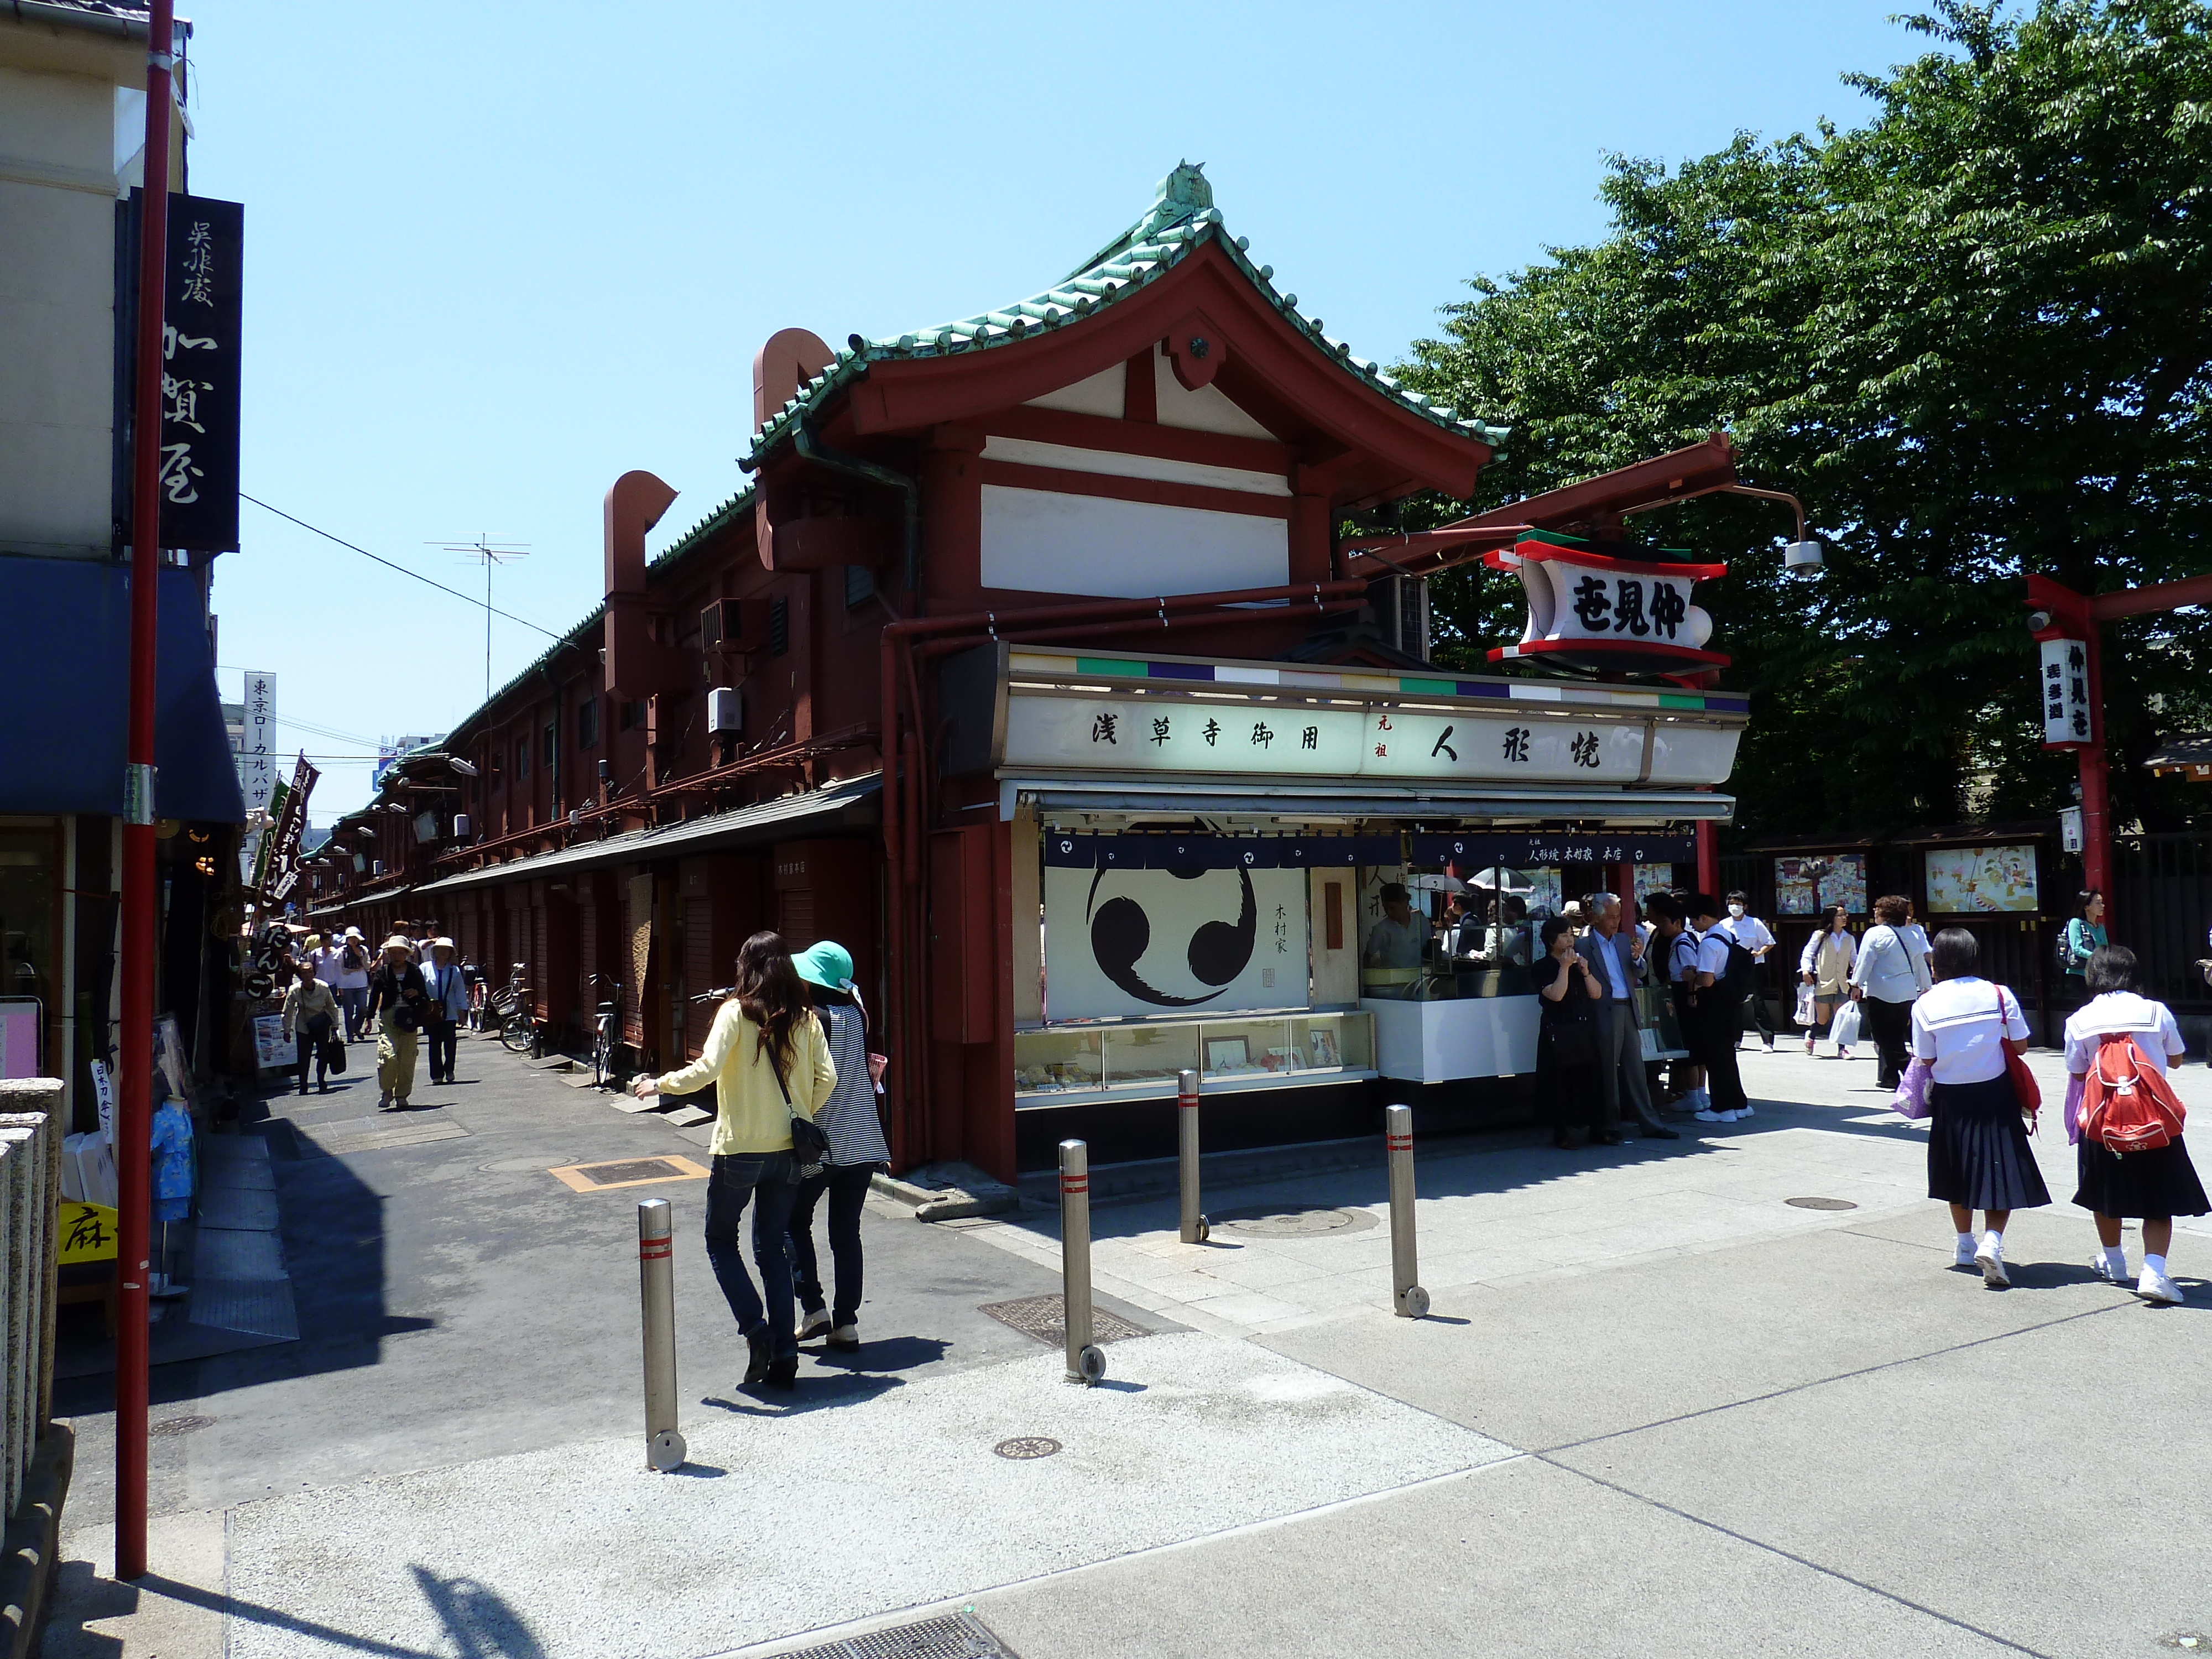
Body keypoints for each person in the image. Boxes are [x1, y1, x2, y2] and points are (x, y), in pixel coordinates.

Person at [633, 930, 834, 1389]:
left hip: (740, 1147)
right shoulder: (807, 1019)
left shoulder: (733, 1013)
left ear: (747, 968)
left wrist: (659, 1084)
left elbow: (705, 1071)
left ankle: (756, 1331)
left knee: (721, 1240)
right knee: (773, 1249)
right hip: (788, 1151)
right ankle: (786, 1353)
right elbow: (830, 1078)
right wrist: (803, 1113)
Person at [2063, 945, 2203, 1306]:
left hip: (2103, 1121)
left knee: (2104, 1193)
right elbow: (2175, 1060)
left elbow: (2077, 1071)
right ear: (2133, 975)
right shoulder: (2155, 1011)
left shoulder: (2079, 1020)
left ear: (2093, 976)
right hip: (2152, 1120)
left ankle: (2113, 1261)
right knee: (2159, 1200)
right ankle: (2155, 1272)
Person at [1910, 927, 2047, 1287]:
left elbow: (1925, 1057)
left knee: (1957, 1172)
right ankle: (1993, 1241)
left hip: (1951, 1098)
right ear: (1974, 957)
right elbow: (2020, 1046)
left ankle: (1964, 1245)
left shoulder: (1924, 1003)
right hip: (1995, 1094)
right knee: (1999, 1170)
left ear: (1937, 963)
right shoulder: (1999, 994)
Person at [785, 941, 890, 1350]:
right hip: (862, 1143)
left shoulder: (811, 1020)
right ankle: (846, 1324)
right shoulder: (857, 1015)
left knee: (793, 1220)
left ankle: (813, 1307)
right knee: (846, 1234)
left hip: (820, 1147)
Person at [1582, 893, 1677, 1139]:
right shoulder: (1584, 945)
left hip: (1627, 1006)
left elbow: (1640, 970)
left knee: (1636, 1068)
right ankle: (1609, 1125)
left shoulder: (1624, 941)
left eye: (1618, 916)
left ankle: (1650, 1123)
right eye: (1611, 917)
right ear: (1597, 918)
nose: (1616, 922)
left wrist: (1637, 958)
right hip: (1604, 1008)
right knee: (1608, 1070)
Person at [1533, 915, 1607, 1147]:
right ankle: (1562, 1132)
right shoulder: (1543, 967)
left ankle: (1597, 1128)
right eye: (1564, 936)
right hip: (1558, 1030)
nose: (1569, 940)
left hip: (1582, 1027)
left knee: (1591, 1080)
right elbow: (1556, 995)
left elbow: (1597, 994)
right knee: (1560, 1083)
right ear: (1551, 940)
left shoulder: (1579, 963)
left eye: (1571, 935)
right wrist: (1564, 968)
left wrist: (1585, 972)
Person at [1849, 895, 1931, 1091]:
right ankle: (1891, 1077)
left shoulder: (1875, 934)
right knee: (1896, 1036)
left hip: (1882, 992)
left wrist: (1856, 984)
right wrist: (1926, 986)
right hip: (1908, 993)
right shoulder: (1912, 934)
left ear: (1887, 913)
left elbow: (1864, 961)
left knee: (1883, 1037)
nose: (1875, 912)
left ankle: (1913, 1073)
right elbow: (1920, 963)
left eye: (1878, 909)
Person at [1684, 894, 1752, 1123]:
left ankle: (1721, 1108)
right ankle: (1739, 1104)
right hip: (1731, 1003)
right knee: (1728, 1055)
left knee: (1715, 1057)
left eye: (1694, 920)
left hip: (1714, 1004)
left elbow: (1707, 979)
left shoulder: (1709, 943)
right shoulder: (1728, 936)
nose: (1692, 925)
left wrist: (1690, 975)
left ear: (1703, 918)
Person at [1645, 892, 1710, 1117]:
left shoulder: (1682, 942)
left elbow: (1692, 971)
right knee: (1695, 1049)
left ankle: (1694, 1095)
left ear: (1677, 922)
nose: (1661, 926)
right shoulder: (1675, 940)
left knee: (1690, 1049)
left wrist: (1691, 993)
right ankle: (1699, 1094)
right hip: (1683, 996)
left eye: (1665, 922)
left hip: (1684, 997)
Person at [364, 934, 430, 1110]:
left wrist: (416, 993)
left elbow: (424, 995)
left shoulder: (414, 971)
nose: (397, 955)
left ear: (406, 954)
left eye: (401, 952)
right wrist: (369, 1017)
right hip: (389, 1016)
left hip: (409, 1017)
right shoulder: (383, 972)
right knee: (388, 1055)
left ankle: (402, 1095)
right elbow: (375, 994)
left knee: (407, 1059)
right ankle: (387, 1091)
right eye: (393, 952)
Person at [1798, 906, 1858, 1058]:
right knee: (1823, 1019)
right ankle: (1811, 1035)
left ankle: (1842, 1049)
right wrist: (1806, 971)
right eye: (1840, 915)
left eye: (1845, 915)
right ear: (1831, 917)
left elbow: (1854, 959)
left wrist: (1858, 978)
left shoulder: (1849, 938)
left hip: (1842, 983)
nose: (1844, 918)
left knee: (1841, 1016)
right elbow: (1807, 953)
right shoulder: (1820, 936)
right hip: (1824, 982)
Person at [1722, 891, 1778, 1052]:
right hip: (1732, 968)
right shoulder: (1724, 925)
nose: (1735, 907)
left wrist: (1759, 953)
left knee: (1758, 1002)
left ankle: (1767, 1040)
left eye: (1738, 904)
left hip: (1753, 967)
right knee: (1734, 1003)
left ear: (1745, 907)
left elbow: (1770, 942)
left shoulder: (1755, 923)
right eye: (1731, 904)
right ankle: (1735, 1038)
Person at [279, 959, 340, 1096]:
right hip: (304, 1026)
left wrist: (335, 1025)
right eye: (304, 973)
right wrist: (287, 1030)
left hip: (322, 1025)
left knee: (323, 1055)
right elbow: (288, 1011)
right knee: (304, 1058)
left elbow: (332, 1006)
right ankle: (303, 1085)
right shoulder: (295, 990)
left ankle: (321, 1081)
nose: (308, 975)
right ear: (300, 975)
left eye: (310, 972)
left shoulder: (323, 987)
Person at [420, 938, 468, 1086]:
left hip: (450, 1011)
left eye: (447, 950)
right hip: (431, 1012)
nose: (443, 952)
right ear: (434, 951)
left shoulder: (454, 971)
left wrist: (462, 1012)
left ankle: (450, 1069)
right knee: (434, 1042)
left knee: (450, 1041)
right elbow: (421, 988)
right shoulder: (424, 968)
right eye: (440, 949)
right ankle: (436, 1074)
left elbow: (459, 991)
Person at [1363, 882, 1430, 971]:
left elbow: (1428, 950)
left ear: (1405, 903)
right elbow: (1368, 956)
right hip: (1393, 979)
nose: (1389, 912)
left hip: (1418, 977)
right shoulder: (1381, 929)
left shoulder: (1422, 922)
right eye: (1386, 909)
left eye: (1393, 908)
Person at [2058, 890, 2107, 1000]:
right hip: (2079, 974)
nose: (2102, 906)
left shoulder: (2100, 927)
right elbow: (2077, 949)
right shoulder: (2076, 923)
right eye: (2098, 903)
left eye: (2102, 903)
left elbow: (2105, 949)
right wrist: (2098, 957)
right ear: (2087, 907)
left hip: (2097, 974)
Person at [331, 927, 372, 1041]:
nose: (353, 941)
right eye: (351, 939)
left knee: (362, 1009)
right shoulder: (341, 952)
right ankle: (350, 1035)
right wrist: (340, 987)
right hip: (346, 985)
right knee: (348, 1011)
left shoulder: (364, 950)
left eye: (355, 938)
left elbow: (368, 967)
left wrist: (360, 956)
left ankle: (356, 1027)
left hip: (361, 984)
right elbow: (338, 970)